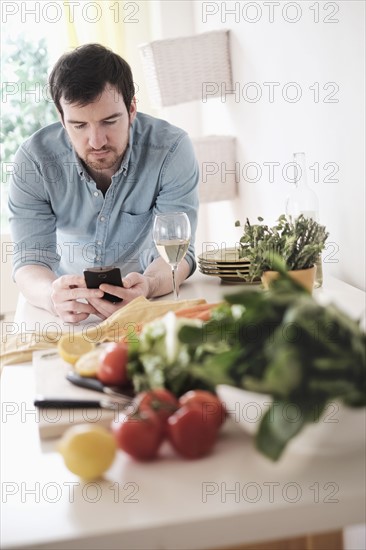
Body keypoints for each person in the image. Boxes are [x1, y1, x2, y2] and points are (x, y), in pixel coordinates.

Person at [8, 43, 199, 323]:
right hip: (67, 311)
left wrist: (148, 286)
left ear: (132, 108)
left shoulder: (171, 150)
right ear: (61, 118)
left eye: (109, 121)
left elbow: (179, 255)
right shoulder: (34, 161)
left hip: (147, 302)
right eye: (79, 125)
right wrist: (52, 296)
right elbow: (29, 261)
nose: (96, 141)